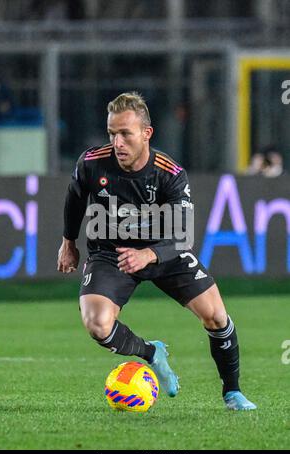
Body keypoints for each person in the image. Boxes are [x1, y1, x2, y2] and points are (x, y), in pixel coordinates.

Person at [57, 91, 256, 411]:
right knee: (98, 325)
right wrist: (69, 242)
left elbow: (183, 234)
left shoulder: (169, 173)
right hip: (111, 253)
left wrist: (149, 254)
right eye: (111, 133)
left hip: (164, 252)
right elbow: (75, 197)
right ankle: (151, 353)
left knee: (216, 316)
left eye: (125, 134)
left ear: (146, 133)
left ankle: (232, 393)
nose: (117, 142)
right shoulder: (92, 163)